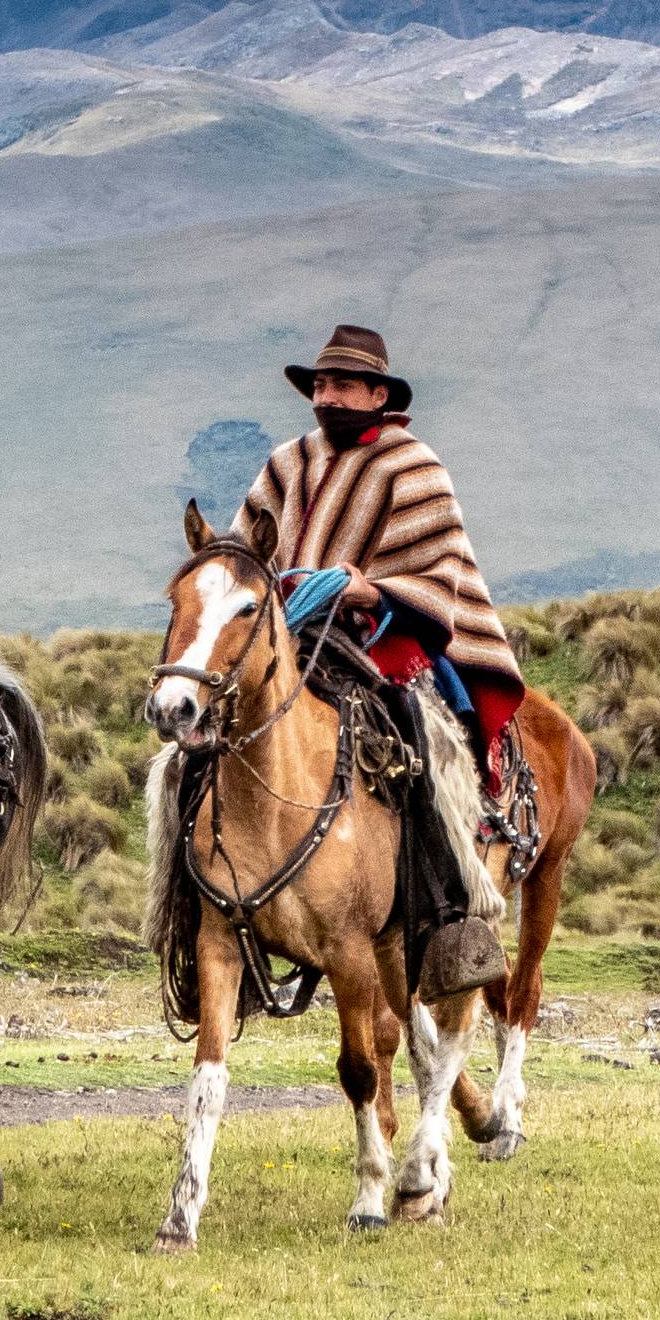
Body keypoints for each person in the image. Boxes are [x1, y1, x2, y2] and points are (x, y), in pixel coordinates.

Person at [232, 324, 523, 997]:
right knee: (204, 736)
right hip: (285, 636)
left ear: (377, 393)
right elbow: (246, 554)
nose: (327, 397)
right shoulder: (285, 463)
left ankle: (452, 912)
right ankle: (208, 912)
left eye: (342, 385)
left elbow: (436, 570)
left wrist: (366, 586)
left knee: (425, 736)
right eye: (320, 385)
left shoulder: (412, 465)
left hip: (380, 635)